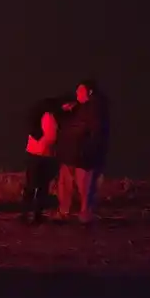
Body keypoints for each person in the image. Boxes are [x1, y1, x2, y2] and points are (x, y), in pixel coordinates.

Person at [55, 79, 110, 224]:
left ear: (89, 92)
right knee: (65, 185)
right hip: (70, 155)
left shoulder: (95, 110)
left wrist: (88, 152)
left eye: (80, 91)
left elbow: (95, 134)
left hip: (82, 157)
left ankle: (85, 215)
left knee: (85, 189)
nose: (77, 93)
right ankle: (64, 212)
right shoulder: (78, 108)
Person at [21, 96, 64, 224]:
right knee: (37, 186)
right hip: (40, 155)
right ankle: (32, 214)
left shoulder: (41, 116)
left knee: (35, 186)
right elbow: (51, 137)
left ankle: (30, 213)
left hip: (38, 154)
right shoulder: (47, 117)